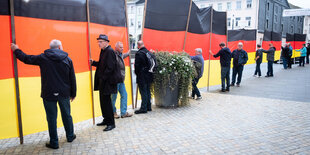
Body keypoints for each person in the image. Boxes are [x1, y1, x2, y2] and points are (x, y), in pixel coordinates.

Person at [11, 40, 76, 149]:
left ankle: (54, 143)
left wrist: (16, 50)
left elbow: (26, 58)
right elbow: (72, 78)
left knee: (51, 118)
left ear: (50, 48)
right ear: (60, 47)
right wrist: (73, 93)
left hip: (48, 93)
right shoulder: (68, 59)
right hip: (64, 93)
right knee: (67, 115)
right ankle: (70, 136)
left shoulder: (43, 58)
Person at [90, 34, 117, 131]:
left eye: (101, 42)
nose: (98, 43)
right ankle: (106, 119)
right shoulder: (104, 51)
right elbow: (102, 65)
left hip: (107, 82)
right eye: (98, 41)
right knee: (103, 102)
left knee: (107, 103)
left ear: (106, 42)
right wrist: (94, 63)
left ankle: (111, 123)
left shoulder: (109, 51)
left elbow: (110, 68)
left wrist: (103, 78)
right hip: (103, 81)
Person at [111, 42, 133, 118]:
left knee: (124, 95)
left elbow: (123, 56)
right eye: (120, 47)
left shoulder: (120, 55)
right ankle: (113, 112)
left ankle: (123, 113)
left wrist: (128, 53)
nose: (122, 48)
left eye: (122, 47)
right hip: (115, 80)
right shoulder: (114, 55)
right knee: (113, 97)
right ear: (116, 47)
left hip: (121, 80)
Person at [134, 41, 153, 114]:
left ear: (138, 46)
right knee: (148, 91)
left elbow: (137, 66)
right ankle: (149, 106)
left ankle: (143, 108)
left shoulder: (139, 53)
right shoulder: (148, 52)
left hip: (142, 76)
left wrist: (137, 73)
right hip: (149, 75)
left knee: (143, 92)